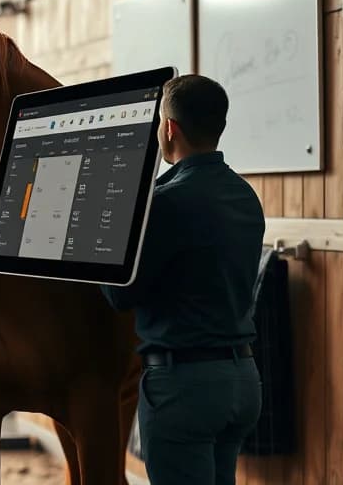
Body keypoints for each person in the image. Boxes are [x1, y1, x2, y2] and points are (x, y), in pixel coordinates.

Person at [101, 75, 265, 485]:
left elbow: (120, 296)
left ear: (169, 128)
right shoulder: (245, 194)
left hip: (184, 388)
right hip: (242, 380)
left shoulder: (166, 203)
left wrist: (102, 243)